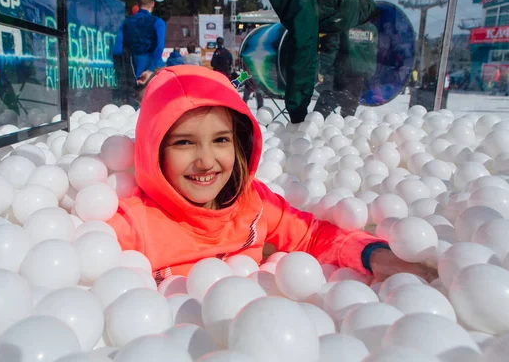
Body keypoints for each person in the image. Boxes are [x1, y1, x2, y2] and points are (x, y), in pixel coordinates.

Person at [106, 65, 437, 283]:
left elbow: (312, 234)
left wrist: (374, 255)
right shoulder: (135, 224)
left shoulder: (254, 204)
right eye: (184, 143)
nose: (205, 161)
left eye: (220, 140)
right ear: (154, 151)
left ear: (240, 143)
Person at [248, 0, 378, 123]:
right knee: (344, 114)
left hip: (339, 74)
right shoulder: (365, 22)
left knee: (333, 110)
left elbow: (307, 39)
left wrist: (297, 111)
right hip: (351, 76)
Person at [114, 0, 166, 79]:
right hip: (153, 68)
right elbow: (160, 47)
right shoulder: (158, 22)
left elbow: (117, 50)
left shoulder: (126, 23)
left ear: (138, 4)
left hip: (132, 68)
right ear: (153, 4)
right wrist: (150, 69)